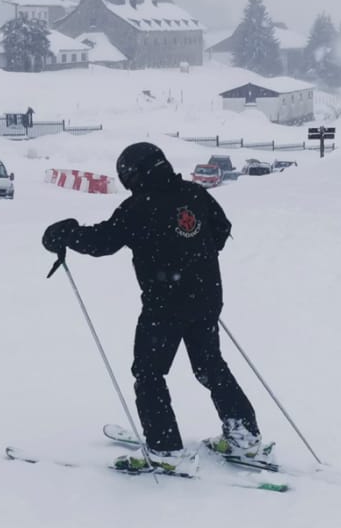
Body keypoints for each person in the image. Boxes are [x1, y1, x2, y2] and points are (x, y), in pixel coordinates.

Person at [42, 141, 260, 467]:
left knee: (149, 373)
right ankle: (243, 435)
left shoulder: (139, 207)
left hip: (165, 307)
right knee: (209, 366)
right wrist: (194, 258)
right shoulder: (195, 194)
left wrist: (67, 234)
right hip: (206, 297)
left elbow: (103, 241)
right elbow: (221, 228)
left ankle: (165, 448)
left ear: (134, 174)